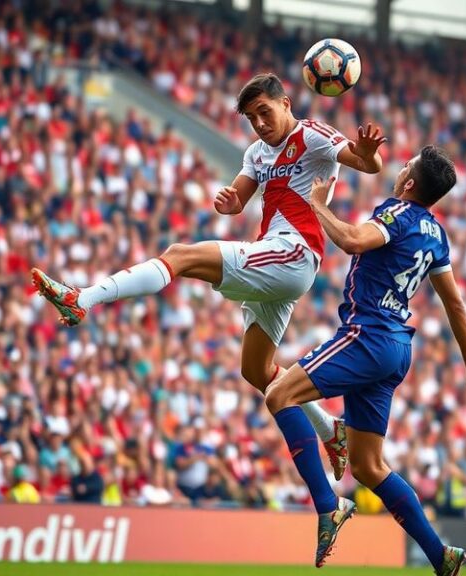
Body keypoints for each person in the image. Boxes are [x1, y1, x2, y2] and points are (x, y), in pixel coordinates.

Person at [31, 73, 387, 481]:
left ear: (286, 104)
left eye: (265, 112)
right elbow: (238, 199)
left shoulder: (313, 135)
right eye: (252, 118)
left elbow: (366, 163)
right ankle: (331, 429)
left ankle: (83, 299)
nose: (260, 123)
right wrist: (229, 202)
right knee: (257, 371)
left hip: (296, 251)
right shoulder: (256, 152)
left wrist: (369, 154)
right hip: (276, 255)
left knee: (179, 255)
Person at [264, 146, 466, 573]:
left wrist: (317, 205)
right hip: (396, 349)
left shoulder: (397, 213)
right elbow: (455, 304)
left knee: (280, 395)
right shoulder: (436, 234)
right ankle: (441, 555)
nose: (401, 166)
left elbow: (353, 240)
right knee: (368, 466)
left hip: (367, 336)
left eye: (407, 164)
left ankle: (328, 505)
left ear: (409, 183)